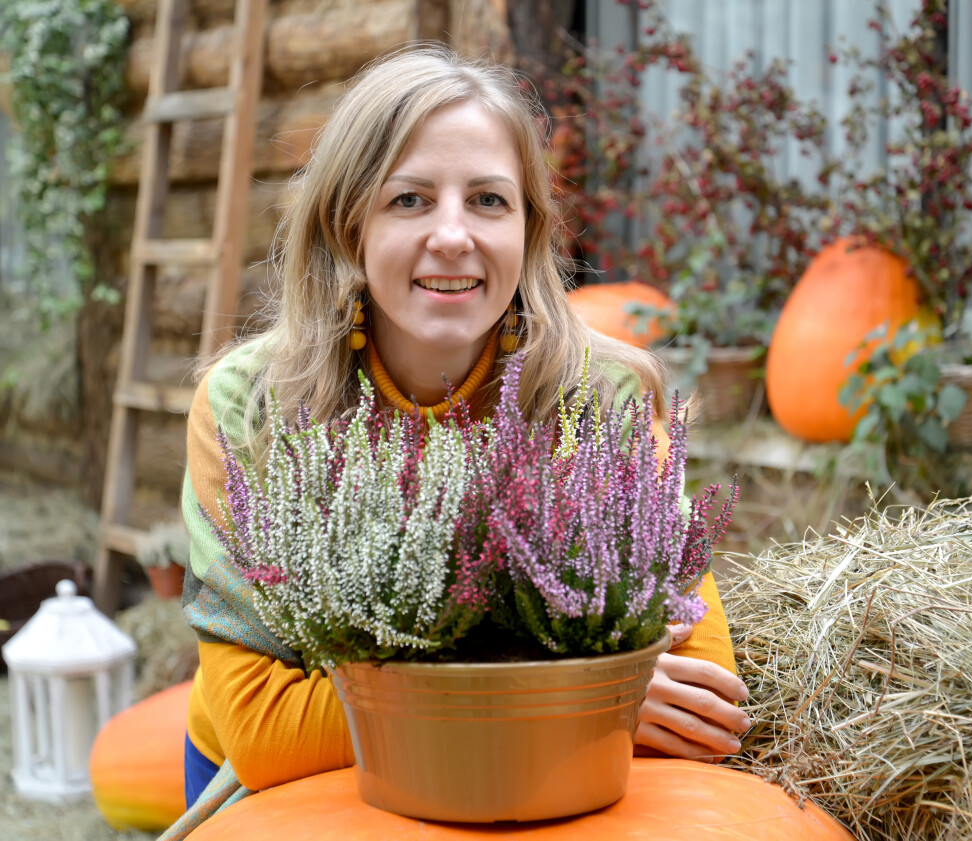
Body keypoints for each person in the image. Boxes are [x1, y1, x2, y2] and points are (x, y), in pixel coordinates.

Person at [166, 45, 750, 837]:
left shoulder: (604, 397)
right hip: (301, 786)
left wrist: (417, 692)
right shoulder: (250, 411)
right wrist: (584, 693)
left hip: (519, 778)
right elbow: (265, 726)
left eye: (487, 199)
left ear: (529, 228)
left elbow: (703, 698)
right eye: (409, 199)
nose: (452, 234)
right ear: (351, 222)